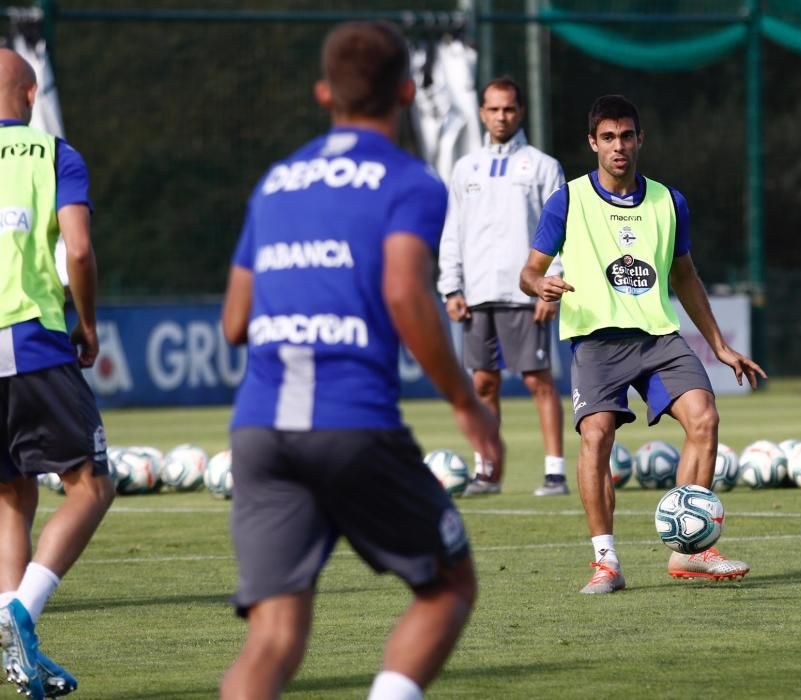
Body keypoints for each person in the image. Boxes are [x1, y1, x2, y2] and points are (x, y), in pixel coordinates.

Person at [219, 22, 503, 700]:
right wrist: (467, 405)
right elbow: (405, 289)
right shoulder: (412, 182)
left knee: (274, 638)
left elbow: (234, 322)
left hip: (258, 429)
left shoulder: (277, 181)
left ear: (324, 94)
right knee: (447, 585)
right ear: (408, 90)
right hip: (353, 423)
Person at [520, 95, 766, 594]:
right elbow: (530, 270)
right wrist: (537, 285)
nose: (618, 147)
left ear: (640, 140)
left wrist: (717, 345)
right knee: (596, 437)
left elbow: (685, 275)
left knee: (705, 417)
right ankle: (606, 563)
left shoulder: (668, 202)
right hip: (595, 340)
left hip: (658, 337)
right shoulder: (568, 199)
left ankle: (690, 550)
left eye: (626, 136)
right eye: (607, 138)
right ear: (593, 143)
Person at [0, 49, 116, 698]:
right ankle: (22, 612)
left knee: (11, 492)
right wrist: (88, 324)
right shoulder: (51, 155)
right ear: (31, 92)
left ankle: (18, 656)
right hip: (27, 338)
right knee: (90, 485)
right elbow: (76, 247)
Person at [437, 77, 567, 497]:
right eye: (493, 109)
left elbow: (561, 230)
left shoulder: (543, 166)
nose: (501, 116)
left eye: (508, 109)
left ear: (520, 111)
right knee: (483, 384)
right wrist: (451, 287)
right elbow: (453, 231)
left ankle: (554, 471)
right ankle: (488, 469)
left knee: (537, 380)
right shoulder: (465, 167)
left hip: (525, 291)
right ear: (481, 113)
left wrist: (551, 285)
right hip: (477, 292)